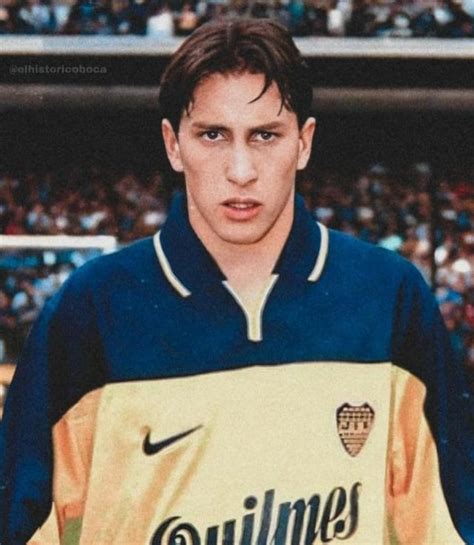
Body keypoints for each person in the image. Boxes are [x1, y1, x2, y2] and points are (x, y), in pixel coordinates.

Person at [0, 19, 473, 545]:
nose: (241, 169)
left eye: (265, 135)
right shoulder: (92, 308)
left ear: (304, 143)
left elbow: (450, 526)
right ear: (173, 144)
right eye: (213, 135)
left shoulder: (388, 296)